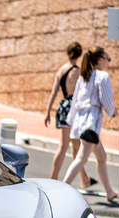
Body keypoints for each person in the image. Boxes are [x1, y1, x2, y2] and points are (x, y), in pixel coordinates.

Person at [63, 46, 118, 202]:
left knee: (102, 156)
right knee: (81, 158)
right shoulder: (102, 76)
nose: (109, 61)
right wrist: (112, 111)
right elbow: (106, 99)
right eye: (108, 58)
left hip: (81, 123)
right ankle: (61, 188)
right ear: (100, 60)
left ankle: (109, 192)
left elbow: (75, 102)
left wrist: (71, 121)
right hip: (90, 125)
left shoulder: (83, 77)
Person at [44, 42, 95, 188]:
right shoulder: (78, 71)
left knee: (72, 145)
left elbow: (54, 92)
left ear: (67, 53)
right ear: (79, 55)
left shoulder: (61, 71)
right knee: (68, 145)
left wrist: (48, 111)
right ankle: (53, 179)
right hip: (73, 109)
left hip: (62, 107)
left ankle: (84, 178)